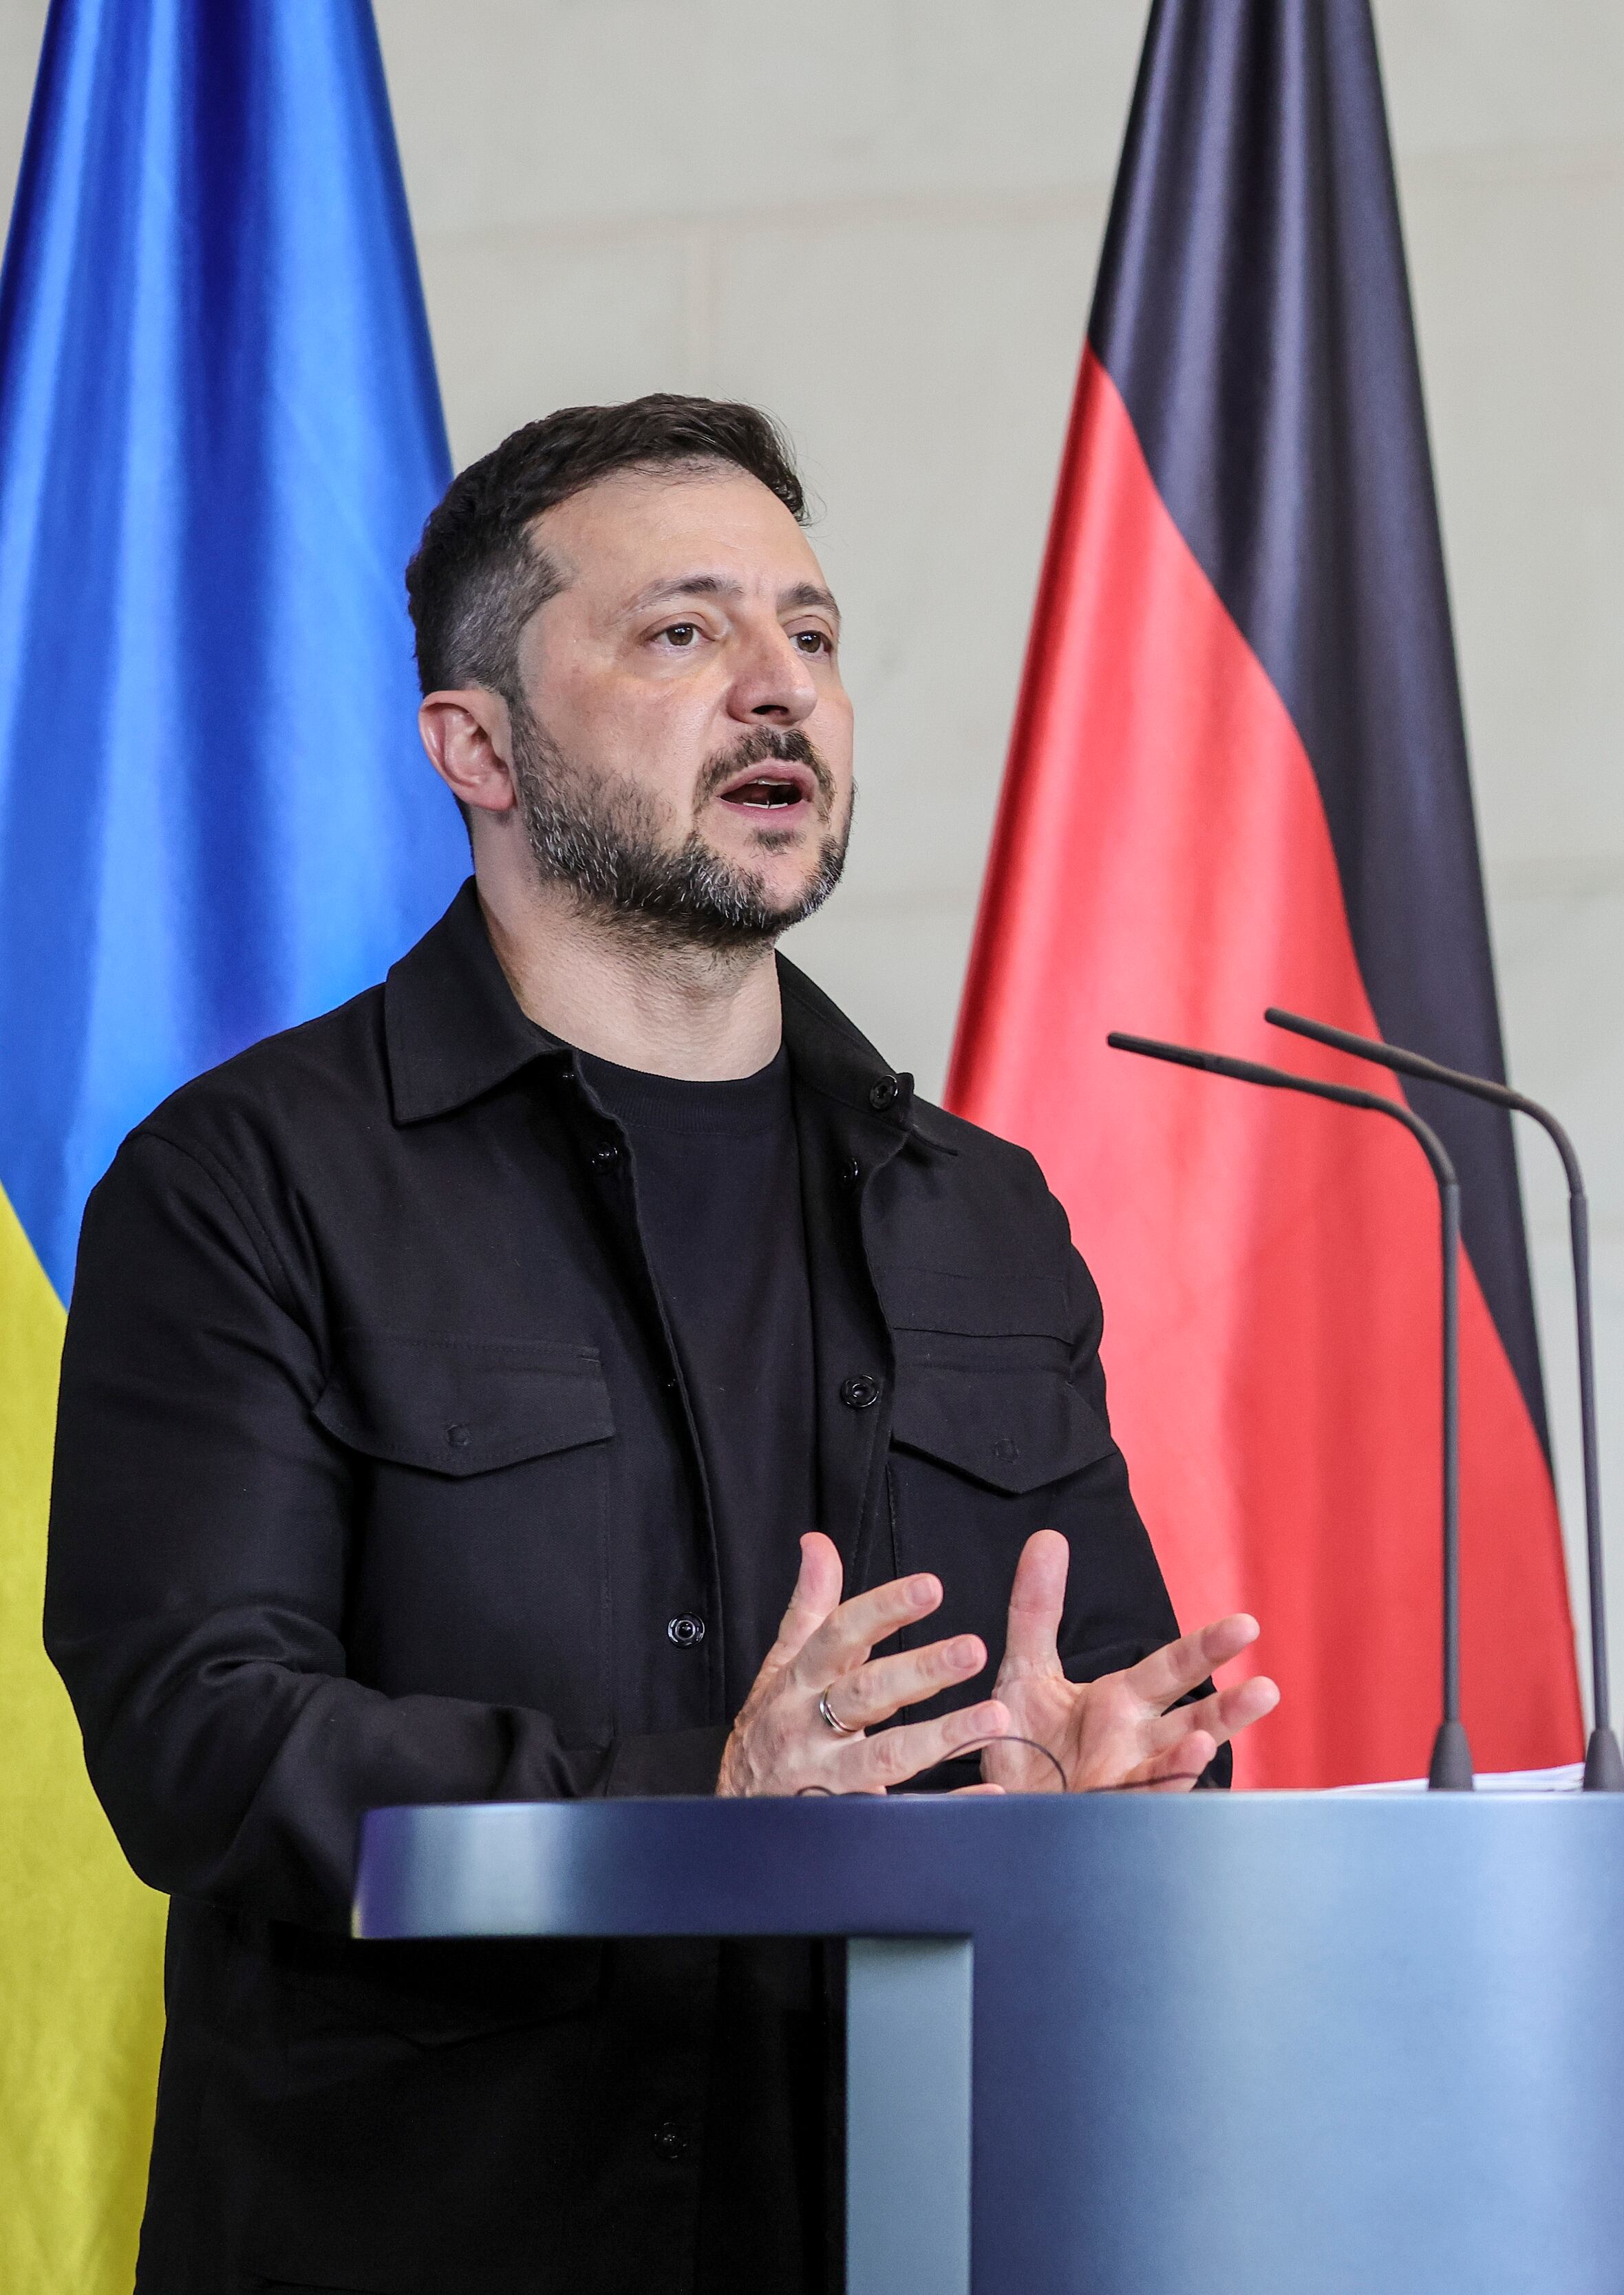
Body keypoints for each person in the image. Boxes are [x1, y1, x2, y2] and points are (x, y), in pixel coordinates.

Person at [45, 396, 1278, 2293]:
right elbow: (202, 1743)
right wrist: (688, 1799)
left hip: (919, 2230)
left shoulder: (980, 1206)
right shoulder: (247, 1183)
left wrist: (1106, 1801)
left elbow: (1077, 1684)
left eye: (813, 634)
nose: (778, 689)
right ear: (480, 746)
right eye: (685, 633)